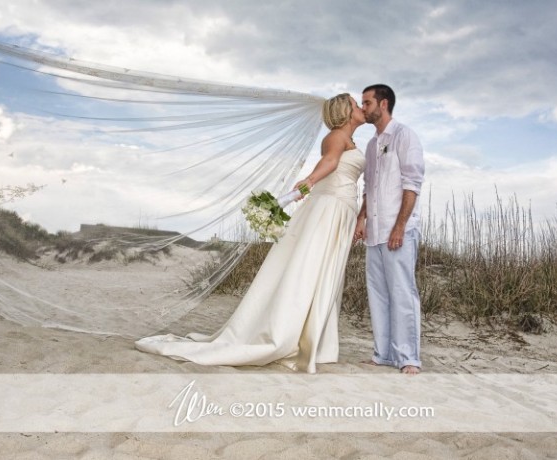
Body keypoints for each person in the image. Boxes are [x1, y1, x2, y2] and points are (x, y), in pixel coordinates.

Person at [135, 93, 366, 373]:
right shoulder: (335, 136)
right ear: (345, 111)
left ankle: (314, 338)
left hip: (343, 210)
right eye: (355, 104)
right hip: (328, 208)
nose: (360, 107)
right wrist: (302, 188)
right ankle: (288, 334)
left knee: (325, 272)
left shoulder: (351, 140)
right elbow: (329, 164)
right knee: (311, 268)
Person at [353, 84, 425, 375]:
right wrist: (361, 219)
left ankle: (408, 358)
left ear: (383, 104)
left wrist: (400, 226)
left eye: (367, 102)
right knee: (378, 293)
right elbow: (368, 188)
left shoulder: (405, 136)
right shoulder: (371, 145)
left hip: (399, 231)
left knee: (402, 293)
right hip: (375, 230)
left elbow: (412, 183)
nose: (363, 107)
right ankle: (382, 354)